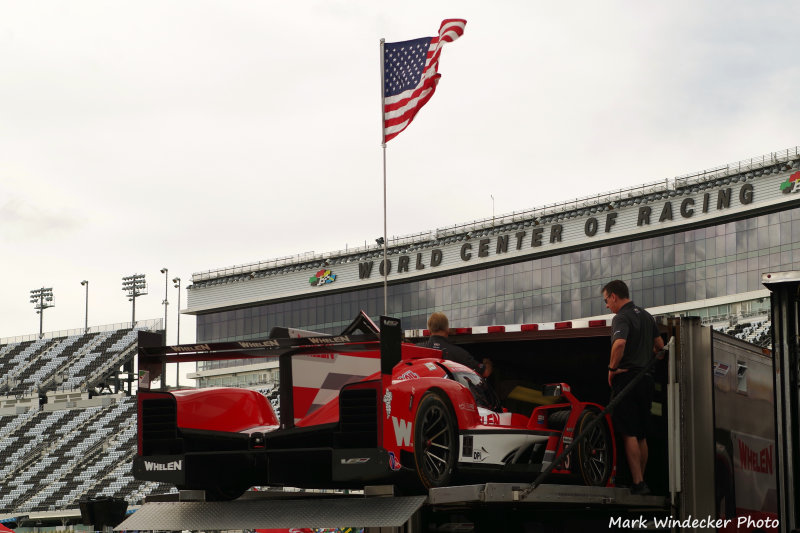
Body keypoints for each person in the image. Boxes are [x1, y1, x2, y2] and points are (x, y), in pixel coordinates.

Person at [602, 280, 664, 496]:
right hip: (645, 380)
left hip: (627, 379)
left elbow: (619, 344)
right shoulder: (647, 317)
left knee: (628, 432)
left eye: (606, 301)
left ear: (613, 296)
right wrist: (647, 360)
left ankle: (637, 482)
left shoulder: (621, 317)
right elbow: (661, 347)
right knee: (641, 434)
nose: (607, 306)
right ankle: (642, 480)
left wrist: (612, 369)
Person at [420, 312, 492, 378]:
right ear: (447, 330)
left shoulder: (417, 349)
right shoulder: (459, 353)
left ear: (429, 330)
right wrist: (487, 362)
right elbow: (485, 373)